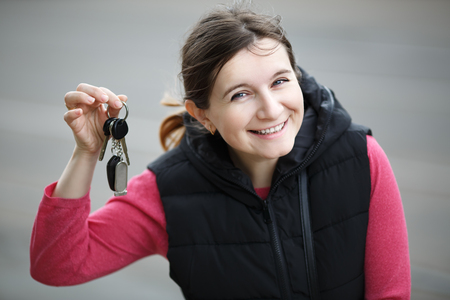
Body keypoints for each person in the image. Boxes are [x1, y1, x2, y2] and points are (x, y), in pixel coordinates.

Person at [30, 3, 411, 299]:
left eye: (280, 81)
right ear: (203, 115)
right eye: (240, 94)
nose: (271, 109)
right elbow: (57, 265)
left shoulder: (360, 157)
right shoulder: (168, 193)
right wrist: (86, 152)